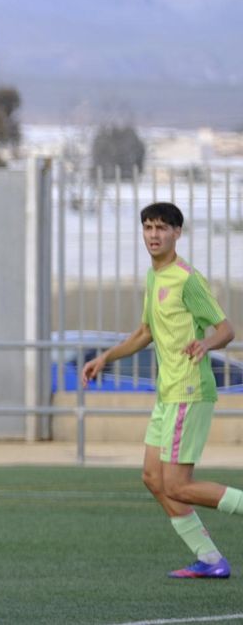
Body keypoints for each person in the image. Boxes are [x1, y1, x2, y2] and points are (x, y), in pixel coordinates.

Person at [82, 201, 237, 579]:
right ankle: (210, 560)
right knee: (154, 479)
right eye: (148, 227)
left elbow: (226, 329)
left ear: (177, 233)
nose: (154, 235)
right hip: (167, 394)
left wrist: (206, 344)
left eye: (162, 228)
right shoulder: (154, 277)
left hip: (189, 390)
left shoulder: (187, 279)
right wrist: (106, 358)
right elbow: (145, 332)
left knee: (178, 486)